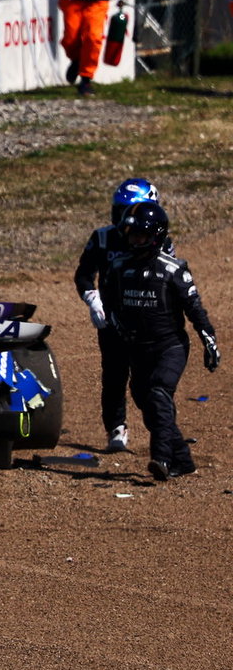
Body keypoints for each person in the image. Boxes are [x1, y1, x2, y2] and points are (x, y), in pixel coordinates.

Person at [101, 202, 219, 481]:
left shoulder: (174, 270)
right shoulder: (119, 268)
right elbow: (110, 303)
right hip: (137, 349)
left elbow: (195, 309)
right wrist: (117, 327)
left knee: (157, 393)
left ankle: (162, 459)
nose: (134, 240)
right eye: (131, 235)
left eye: (140, 235)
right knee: (146, 401)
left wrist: (209, 340)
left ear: (155, 235)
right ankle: (183, 459)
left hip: (170, 347)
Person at [74, 177, 168, 452]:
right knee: (114, 374)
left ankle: (162, 430)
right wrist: (92, 299)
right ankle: (116, 427)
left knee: (147, 380)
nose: (126, 221)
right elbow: (83, 274)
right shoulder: (102, 238)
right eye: (121, 211)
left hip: (146, 320)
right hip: (111, 319)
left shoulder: (160, 242)